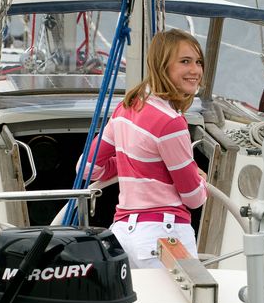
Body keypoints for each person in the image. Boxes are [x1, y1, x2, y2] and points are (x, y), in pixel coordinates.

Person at [79, 29, 208, 268]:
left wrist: (135, 163)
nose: (195, 70)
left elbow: (86, 168)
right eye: (185, 61)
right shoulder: (172, 122)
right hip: (163, 235)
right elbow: (193, 198)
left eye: (198, 62)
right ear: (162, 65)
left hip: (123, 235)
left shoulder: (125, 109)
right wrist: (199, 178)